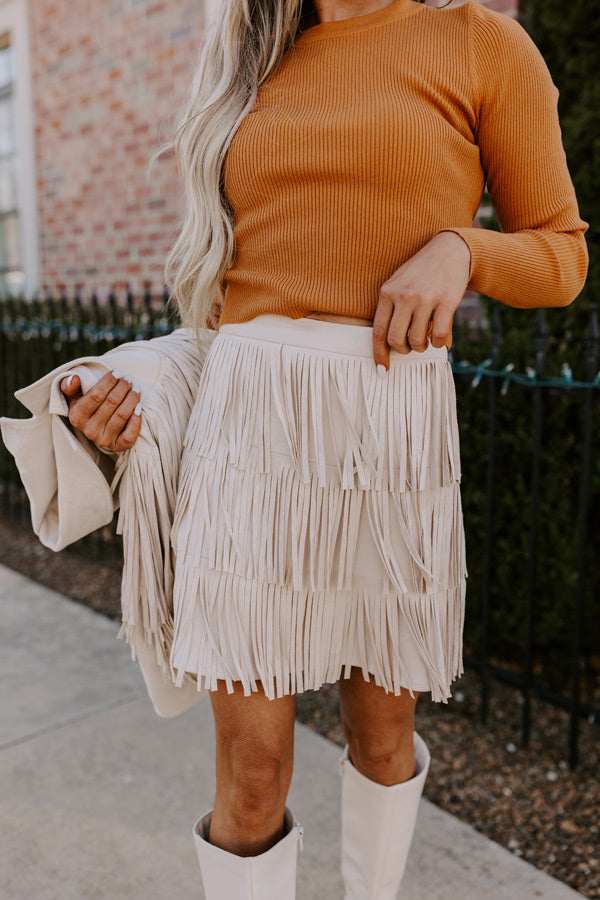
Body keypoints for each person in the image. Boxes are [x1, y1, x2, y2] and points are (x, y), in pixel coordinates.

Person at [60, 0, 588, 896]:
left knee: (382, 735)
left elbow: (563, 256)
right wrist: (130, 387)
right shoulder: (250, 58)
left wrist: (462, 250)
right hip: (248, 435)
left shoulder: (478, 42)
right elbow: (229, 302)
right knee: (253, 771)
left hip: (391, 434)